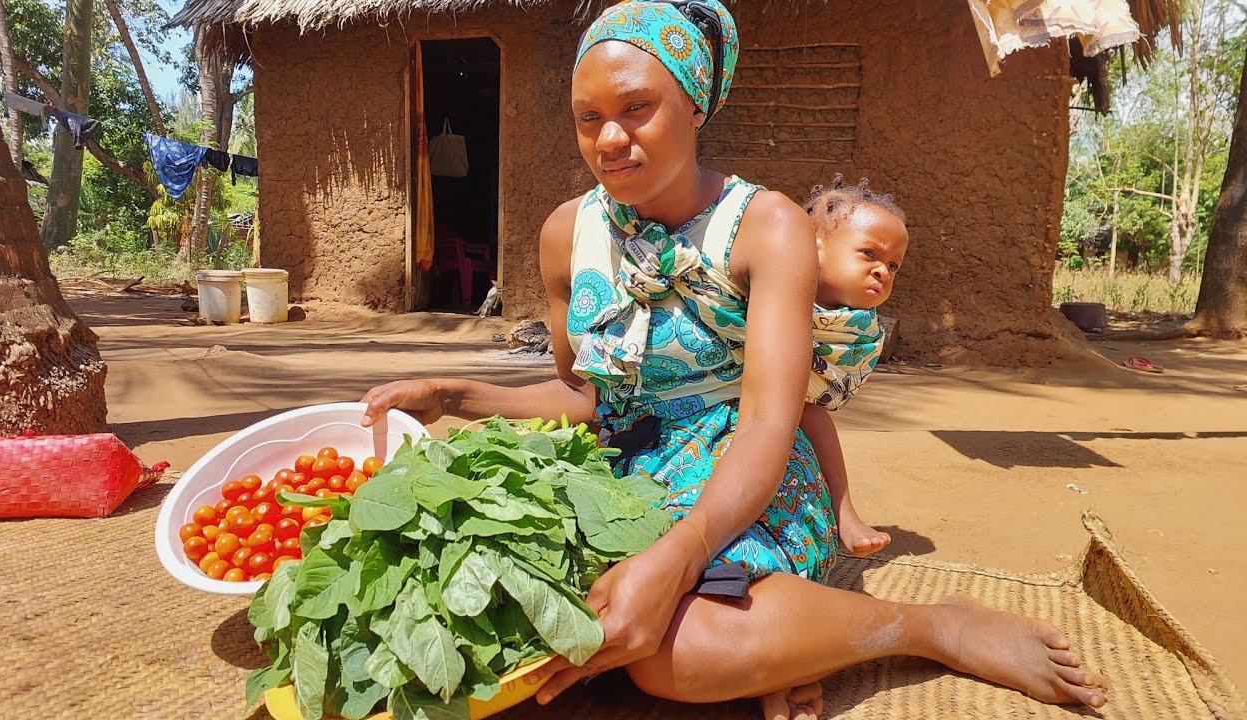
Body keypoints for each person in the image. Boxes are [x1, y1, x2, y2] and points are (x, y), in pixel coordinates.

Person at [361, 2, 1108, 718]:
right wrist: (453, 393)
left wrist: (682, 553)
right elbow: (593, 403)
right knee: (503, 602)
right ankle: (787, 646)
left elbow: (766, 428)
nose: (608, 139)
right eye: (588, 118)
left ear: (694, 105)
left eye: (635, 108)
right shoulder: (566, 234)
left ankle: (928, 626)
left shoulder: (763, 227)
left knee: (674, 652)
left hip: (746, 473)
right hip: (616, 478)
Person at [797, 175, 910, 558]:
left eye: (894, 266)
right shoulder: (752, 291)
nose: (883, 271)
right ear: (813, 249)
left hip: (781, 415)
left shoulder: (852, 332)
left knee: (811, 413)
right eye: (869, 253)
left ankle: (843, 510)